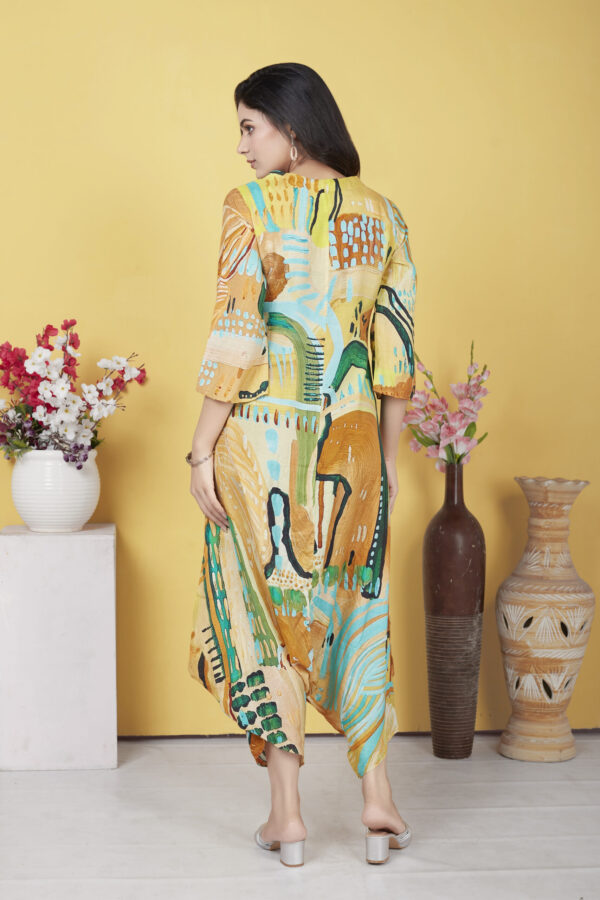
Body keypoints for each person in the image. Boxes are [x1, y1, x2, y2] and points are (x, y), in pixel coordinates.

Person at [187, 62, 417, 867]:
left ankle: (287, 817)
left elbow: (237, 332)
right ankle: (378, 800)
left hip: (262, 447)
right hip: (353, 447)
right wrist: (386, 466)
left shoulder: (250, 206)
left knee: (264, 613)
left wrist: (202, 447)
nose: (242, 146)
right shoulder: (384, 215)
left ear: (292, 126)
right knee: (359, 609)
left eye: (250, 126)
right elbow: (395, 355)